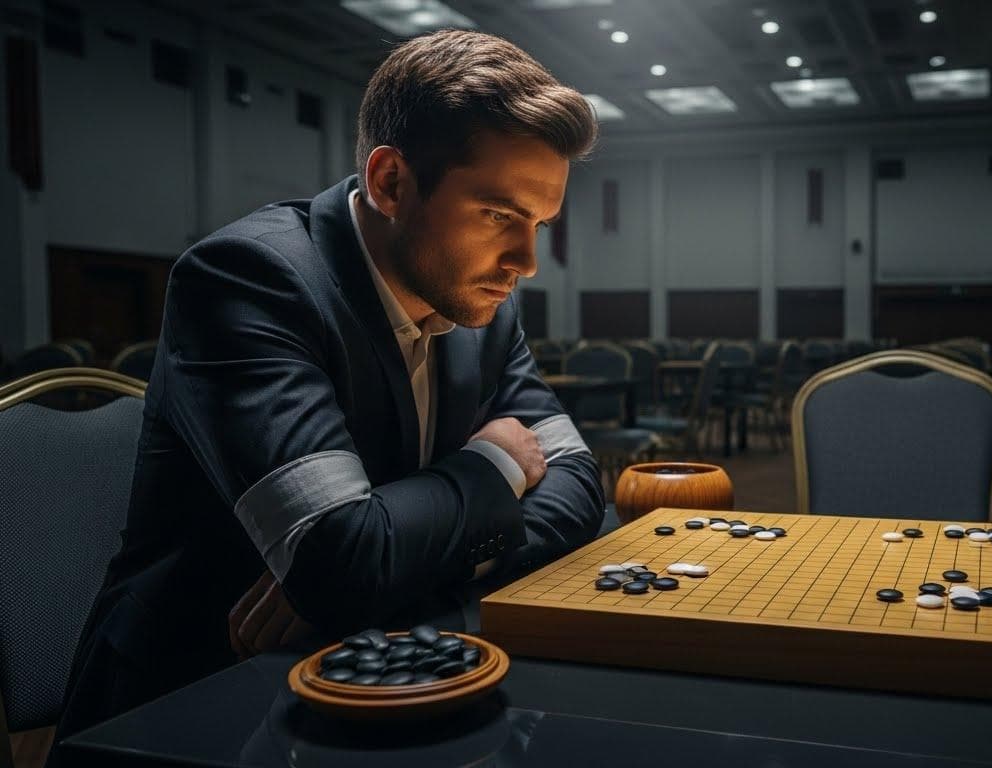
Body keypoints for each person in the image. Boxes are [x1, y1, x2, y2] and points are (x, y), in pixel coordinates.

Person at [54, 29, 603, 744]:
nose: (525, 262)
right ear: (390, 182)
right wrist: (495, 464)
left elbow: (579, 486)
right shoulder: (249, 279)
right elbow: (339, 557)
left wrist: (382, 565)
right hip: (197, 700)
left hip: (384, 671)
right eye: (499, 215)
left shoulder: (483, 307)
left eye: (540, 224)